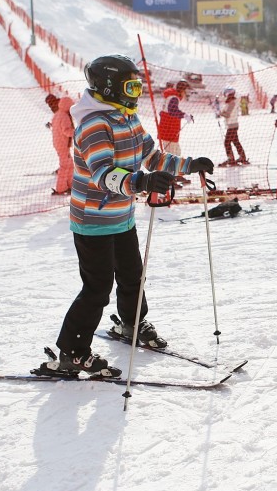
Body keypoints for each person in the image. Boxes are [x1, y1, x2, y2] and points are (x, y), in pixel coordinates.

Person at [38, 54, 215, 376]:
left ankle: (131, 323)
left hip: (122, 215)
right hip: (93, 219)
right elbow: (102, 174)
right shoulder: (94, 124)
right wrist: (141, 182)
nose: (135, 93)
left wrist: (190, 164)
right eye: (130, 86)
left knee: (133, 274)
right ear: (110, 87)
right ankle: (72, 351)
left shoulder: (127, 117)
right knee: (98, 287)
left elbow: (151, 155)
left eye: (137, 86)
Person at [158, 80, 193, 157]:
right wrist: (184, 115)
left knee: (175, 152)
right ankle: (170, 168)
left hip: (167, 129)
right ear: (182, 90)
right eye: (185, 91)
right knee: (174, 153)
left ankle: (170, 167)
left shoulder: (172, 96)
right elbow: (172, 111)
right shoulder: (174, 97)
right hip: (169, 129)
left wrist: (184, 115)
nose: (185, 94)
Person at [217, 87, 248, 165]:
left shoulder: (232, 103)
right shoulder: (231, 102)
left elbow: (227, 114)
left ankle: (231, 159)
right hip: (232, 125)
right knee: (235, 141)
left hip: (232, 126)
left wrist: (220, 113)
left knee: (227, 142)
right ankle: (242, 157)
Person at [50, 95, 75, 195]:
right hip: (62, 144)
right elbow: (66, 131)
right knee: (65, 166)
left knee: (70, 165)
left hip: (59, 143)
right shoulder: (64, 116)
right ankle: (61, 188)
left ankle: (70, 185)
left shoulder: (57, 114)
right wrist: (77, 132)